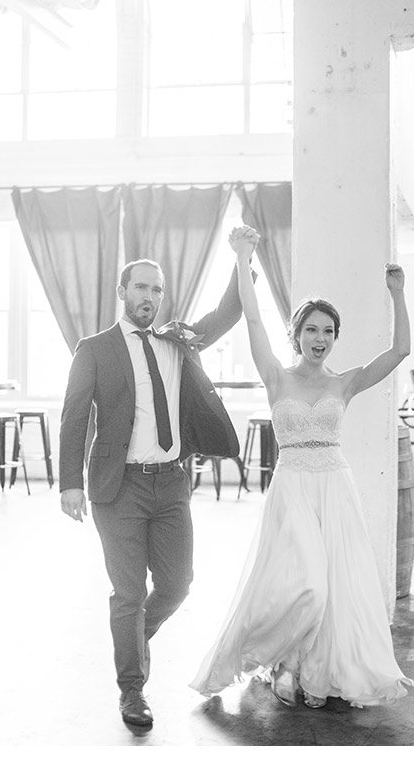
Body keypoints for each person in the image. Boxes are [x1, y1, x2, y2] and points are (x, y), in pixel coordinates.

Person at [189, 230, 414, 708]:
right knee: (306, 584)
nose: (320, 339)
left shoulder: (346, 382)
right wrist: (243, 258)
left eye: (328, 331)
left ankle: (312, 668)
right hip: (292, 487)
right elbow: (251, 318)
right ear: (296, 334)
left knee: (335, 589)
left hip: (334, 487)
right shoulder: (276, 376)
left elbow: (400, 353)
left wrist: (397, 293)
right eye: (311, 329)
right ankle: (284, 661)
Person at [58, 227, 259, 728]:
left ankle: (133, 636)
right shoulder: (94, 348)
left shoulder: (177, 340)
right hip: (117, 488)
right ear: (122, 293)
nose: (149, 297)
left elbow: (226, 314)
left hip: (171, 485)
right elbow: (74, 415)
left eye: (157, 289)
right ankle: (132, 691)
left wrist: (242, 257)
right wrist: (69, 482)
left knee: (177, 584)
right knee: (127, 592)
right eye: (141, 287)